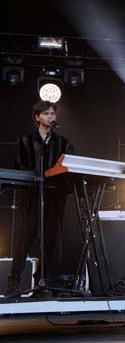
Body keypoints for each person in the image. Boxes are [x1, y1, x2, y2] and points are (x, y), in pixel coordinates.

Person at [6, 101, 76, 295]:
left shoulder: (63, 143)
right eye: (46, 114)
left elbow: (71, 165)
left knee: (51, 240)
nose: (50, 117)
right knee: (24, 239)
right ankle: (14, 283)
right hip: (31, 196)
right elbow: (19, 165)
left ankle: (43, 283)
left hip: (54, 197)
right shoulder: (26, 141)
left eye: (52, 114)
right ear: (37, 117)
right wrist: (37, 176)